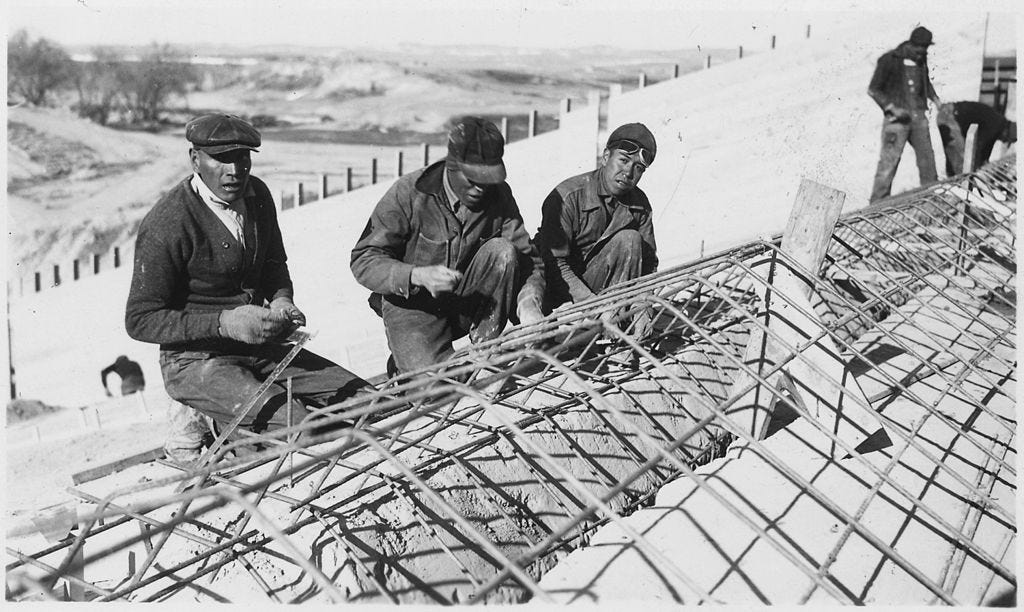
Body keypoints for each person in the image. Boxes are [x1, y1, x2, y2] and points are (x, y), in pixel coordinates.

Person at [126, 113, 370, 465]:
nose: (234, 170)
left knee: (372, 404)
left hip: (259, 347)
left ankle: (232, 417)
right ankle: (212, 422)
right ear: (195, 159)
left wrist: (283, 300)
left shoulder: (257, 195)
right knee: (306, 432)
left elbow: (274, 265)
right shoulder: (168, 223)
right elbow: (140, 319)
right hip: (194, 361)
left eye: (242, 158)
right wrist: (224, 323)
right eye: (221, 159)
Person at [351, 116, 545, 376]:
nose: (480, 189)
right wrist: (416, 275)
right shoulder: (409, 194)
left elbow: (527, 259)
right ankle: (407, 366)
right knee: (436, 389)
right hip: (413, 308)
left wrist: (529, 303)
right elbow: (364, 259)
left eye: (488, 180)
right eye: (473, 179)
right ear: (452, 166)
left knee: (503, 251)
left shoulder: (498, 195)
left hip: (467, 300)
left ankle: (486, 349)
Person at [533, 122, 658, 312]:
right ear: (606, 156)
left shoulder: (640, 204)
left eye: (638, 168)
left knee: (629, 239)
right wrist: (593, 306)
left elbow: (648, 264)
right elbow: (554, 264)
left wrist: (643, 306)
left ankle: (615, 325)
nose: (628, 172)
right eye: (623, 161)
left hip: (599, 293)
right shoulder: (568, 196)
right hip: (557, 293)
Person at [868, 26, 942, 203]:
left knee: (927, 160)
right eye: (920, 48)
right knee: (888, 162)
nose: (923, 52)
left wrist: (937, 101)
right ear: (911, 44)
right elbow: (874, 89)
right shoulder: (889, 60)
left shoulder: (921, 60)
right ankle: (877, 204)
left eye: (925, 48)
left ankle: (931, 201)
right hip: (896, 121)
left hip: (918, 118)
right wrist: (891, 107)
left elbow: (925, 84)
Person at [937, 100, 1016, 176]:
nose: (1004, 141)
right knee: (962, 165)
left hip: (950, 114)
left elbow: (986, 148)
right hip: (949, 116)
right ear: (1007, 131)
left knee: (959, 165)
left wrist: (983, 163)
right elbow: (977, 146)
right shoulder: (996, 125)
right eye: (1007, 139)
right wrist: (978, 168)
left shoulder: (997, 125)